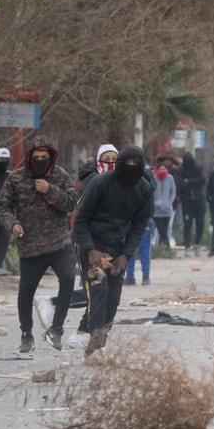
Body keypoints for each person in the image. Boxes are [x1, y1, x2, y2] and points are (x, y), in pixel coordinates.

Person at [0, 137, 78, 353]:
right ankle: (26, 334)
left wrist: (51, 190)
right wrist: (12, 224)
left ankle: (56, 329)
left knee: (68, 279)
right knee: (25, 292)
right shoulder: (17, 178)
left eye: (44, 157)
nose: (40, 161)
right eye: (37, 157)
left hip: (59, 242)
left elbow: (71, 203)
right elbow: (3, 206)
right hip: (30, 246)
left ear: (51, 157)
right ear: (30, 158)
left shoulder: (60, 176)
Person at [72, 144, 154, 355]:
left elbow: (138, 226)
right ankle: (96, 344)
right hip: (91, 244)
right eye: (127, 164)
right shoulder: (100, 183)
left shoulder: (144, 189)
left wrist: (126, 254)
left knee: (113, 298)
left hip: (118, 247)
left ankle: (100, 341)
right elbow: (80, 219)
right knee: (99, 291)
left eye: (136, 165)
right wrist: (91, 250)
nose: (131, 168)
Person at [177, 153, 206, 256]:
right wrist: (192, 182)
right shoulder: (180, 169)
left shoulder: (198, 168)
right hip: (187, 201)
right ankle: (187, 246)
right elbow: (179, 183)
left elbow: (202, 180)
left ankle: (197, 244)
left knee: (200, 224)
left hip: (199, 200)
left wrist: (188, 181)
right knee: (187, 224)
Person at [150, 160, 176, 255]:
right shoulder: (154, 178)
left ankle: (161, 249)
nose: (162, 170)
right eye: (160, 169)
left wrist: (169, 202)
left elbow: (173, 192)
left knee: (164, 229)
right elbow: (151, 193)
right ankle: (167, 247)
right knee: (161, 230)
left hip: (167, 209)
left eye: (164, 169)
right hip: (157, 210)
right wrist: (156, 203)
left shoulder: (170, 178)